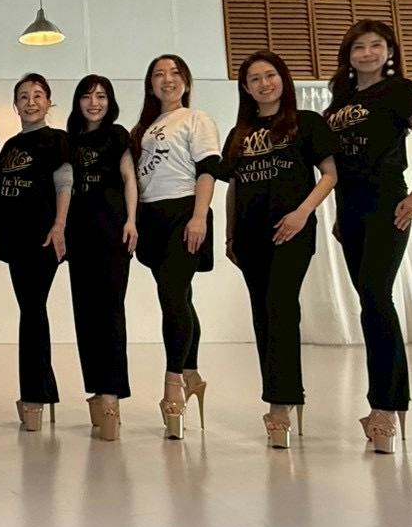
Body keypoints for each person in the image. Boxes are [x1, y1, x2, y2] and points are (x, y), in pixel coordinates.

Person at [324, 20, 412, 454]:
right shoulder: (340, 100)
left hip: (387, 203)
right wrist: (339, 214)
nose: (368, 53)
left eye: (376, 45)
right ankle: (389, 402)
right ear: (349, 55)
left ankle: (386, 407)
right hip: (349, 209)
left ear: (389, 51)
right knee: (369, 303)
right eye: (359, 47)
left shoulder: (400, 90)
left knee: (376, 297)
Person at [219, 51, 338, 449]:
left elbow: (330, 175)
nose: (264, 83)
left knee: (281, 307)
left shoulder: (307, 122)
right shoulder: (239, 133)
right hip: (249, 236)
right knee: (263, 316)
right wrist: (230, 235)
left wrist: (302, 213)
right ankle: (283, 393)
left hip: (291, 231)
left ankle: (280, 405)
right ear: (246, 88)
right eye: (254, 79)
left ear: (283, 79)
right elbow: (234, 187)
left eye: (270, 75)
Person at [131, 54, 220, 440]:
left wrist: (199, 216)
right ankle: (192, 373)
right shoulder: (143, 128)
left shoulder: (196, 119)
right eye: (158, 74)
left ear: (186, 80)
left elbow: (208, 169)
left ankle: (173, 386)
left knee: (171, 295)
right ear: (150, 85)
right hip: (151, 217)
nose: (167, 79)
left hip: (184, 211)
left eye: (174, 73)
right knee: (180, 296)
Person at [0, 74, 71, 433]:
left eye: (38, 95)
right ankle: (42, 389)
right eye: (23, 97)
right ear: (15, 105)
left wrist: (59, 225)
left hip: (42, 237)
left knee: (33, 310)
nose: (30, 102)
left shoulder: (57, 140)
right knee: (30, 308)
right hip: (14, 237)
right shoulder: (10, 144)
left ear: (48, 102)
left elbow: (65, 183)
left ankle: (34, 396)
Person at [66, 74, 138, 442]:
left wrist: (132, 220)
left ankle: (111, 396)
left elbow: (129, 179)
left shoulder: (117, 135)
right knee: (85, 313)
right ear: (77, 102)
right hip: (78, 236)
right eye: (87, 96)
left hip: (112, 231)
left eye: (101, 96)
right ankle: (95, 389)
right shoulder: (69, 141)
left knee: (110, 312)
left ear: (110, 102)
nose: (94, 103)